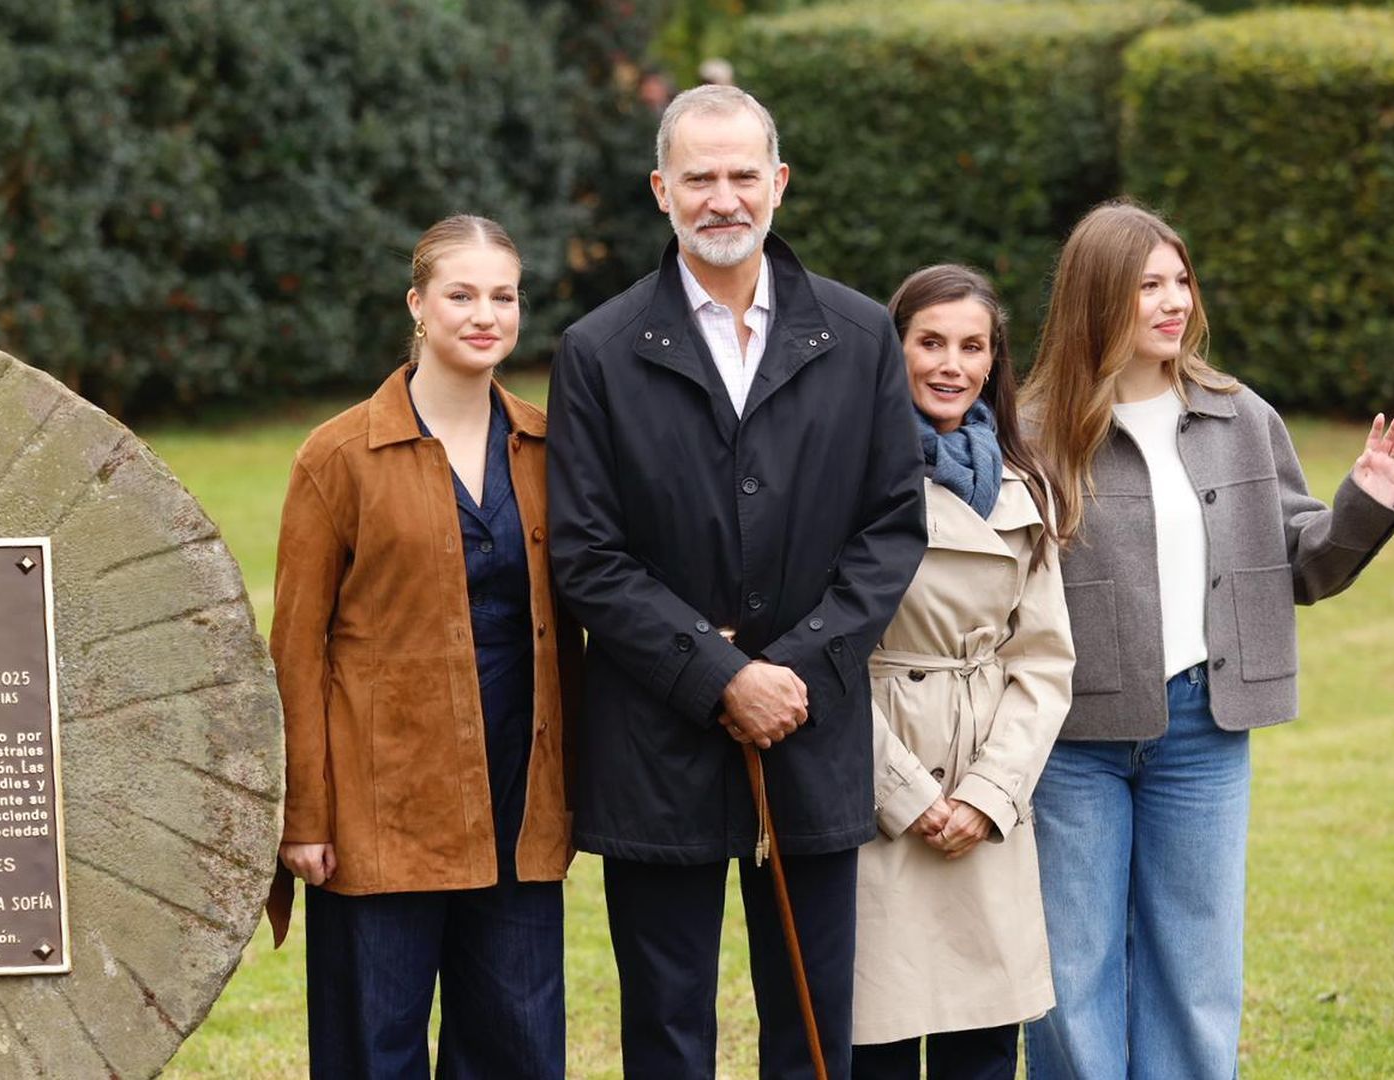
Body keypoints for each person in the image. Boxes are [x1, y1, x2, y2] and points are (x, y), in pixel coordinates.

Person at [546, 84, 928, 1078]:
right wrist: (719, 674)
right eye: (700, 177)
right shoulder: (597, 350)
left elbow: (892, 527)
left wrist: (793, 671)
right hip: (656, 740)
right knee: (667, 1030)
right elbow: (587, 552)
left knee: (810, 1021)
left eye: (743, 175)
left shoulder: (857, 335)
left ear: (780, 184)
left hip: (811, 725)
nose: (724, 198)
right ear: (661, 189)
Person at [1019, 200, 1394, 1080]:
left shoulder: (1241, 417)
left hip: (1203, 731)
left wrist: (1365, 502)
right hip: (1069, 743)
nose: (1173, 302)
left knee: (1197, 976)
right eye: (1145, 286)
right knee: (1068, 974)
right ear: (1095, 298)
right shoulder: (1035, 428)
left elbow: (1304, 565)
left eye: (1180, 281)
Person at [268, 214, 579, 1079]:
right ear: (418, 304)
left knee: (516, 1045)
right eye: (462, 294)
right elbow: (296, 648)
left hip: (518, 795)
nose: (486, 314)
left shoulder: (549, 447)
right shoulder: (339, 456)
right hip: (380, 804)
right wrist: (305, 817)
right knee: (375, 1047)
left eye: (504, 296)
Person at [849, 265, 1076, 1079]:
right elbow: (826, 654)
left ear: (993, 361)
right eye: (931, 342)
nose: (952, 364)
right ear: (893, 349)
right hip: (879, 784)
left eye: (972, 346)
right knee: (873, 1039)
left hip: (986, 794)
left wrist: (986, 796)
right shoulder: (848, 479)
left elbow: (1044, 663)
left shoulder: (1024, 484)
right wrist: (910, 798)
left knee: (981, 1046)